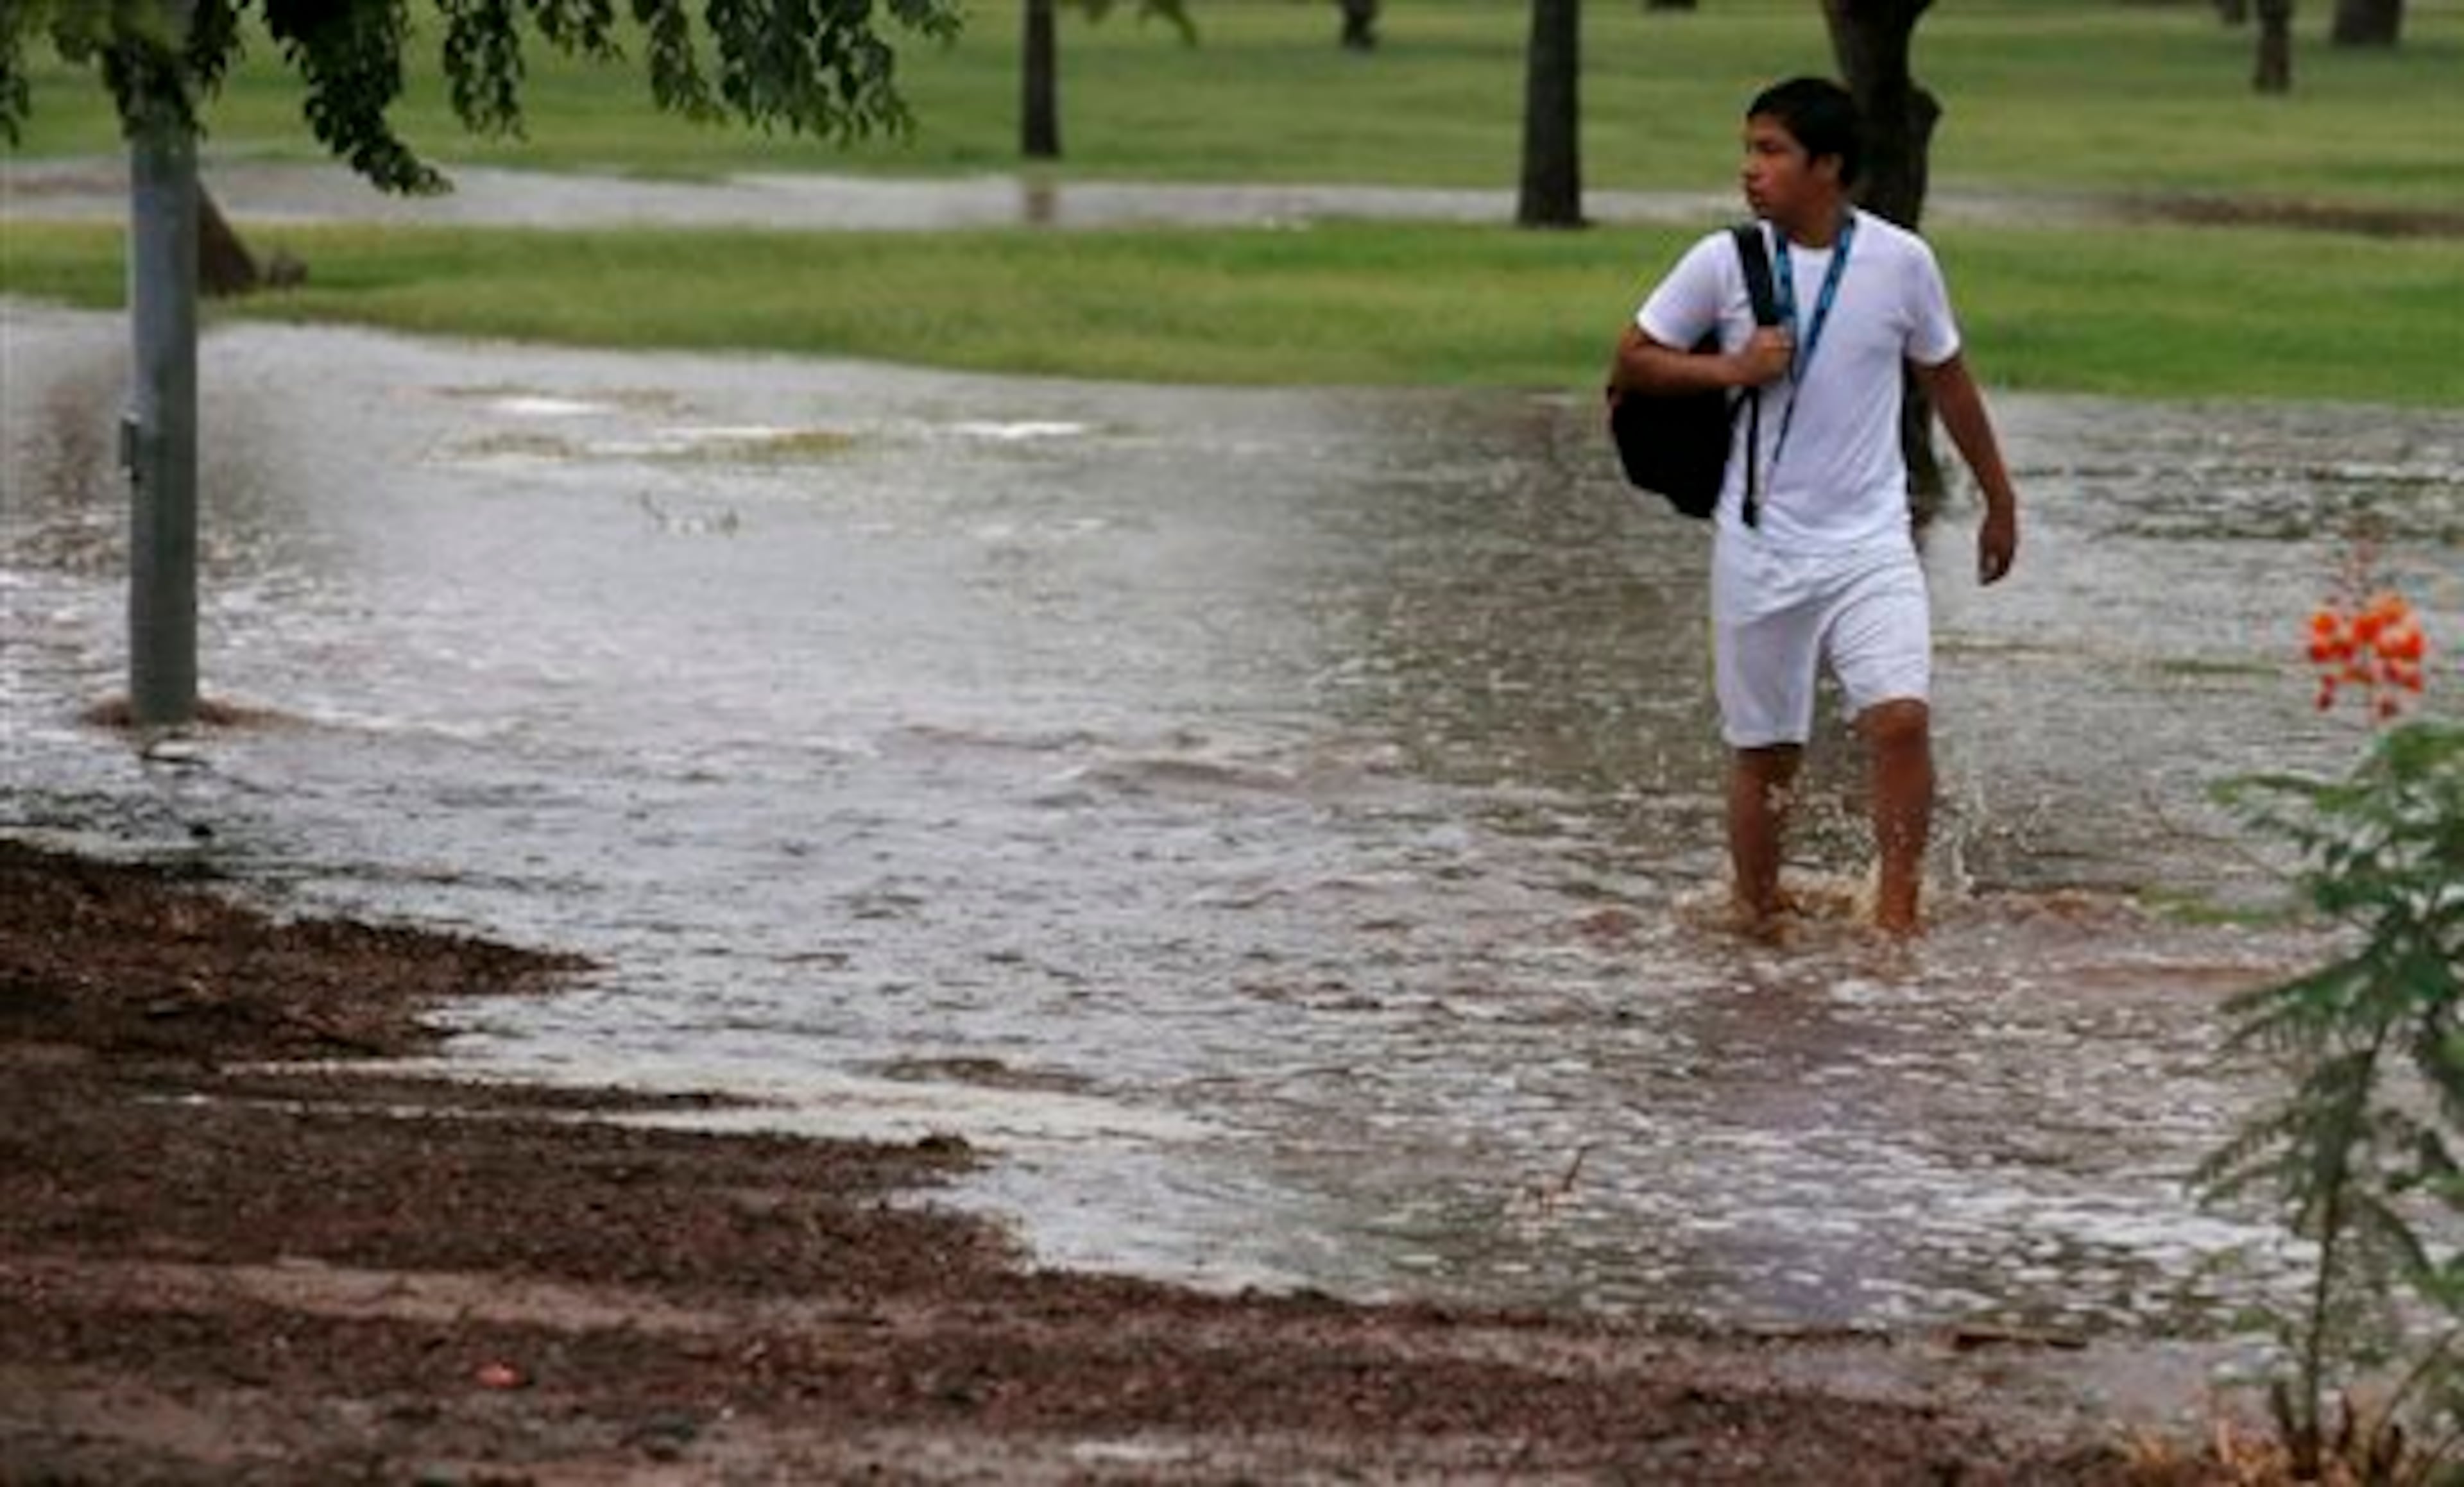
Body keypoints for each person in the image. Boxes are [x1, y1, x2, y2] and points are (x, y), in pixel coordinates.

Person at [1607, 76, 2021, 938]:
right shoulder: (1724, 262)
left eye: (1771, 151)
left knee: (1901, 718)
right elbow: (1634, 362)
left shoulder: (1902, 262)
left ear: (1828, 167)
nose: (1751, 170)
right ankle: (1756, 923)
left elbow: (1945, 378)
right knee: (1768, 754)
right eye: (1749, 150)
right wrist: (1730, 369)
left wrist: (1998, 496)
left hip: (1871, 541)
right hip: (1758, 545)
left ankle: (1896, 925)